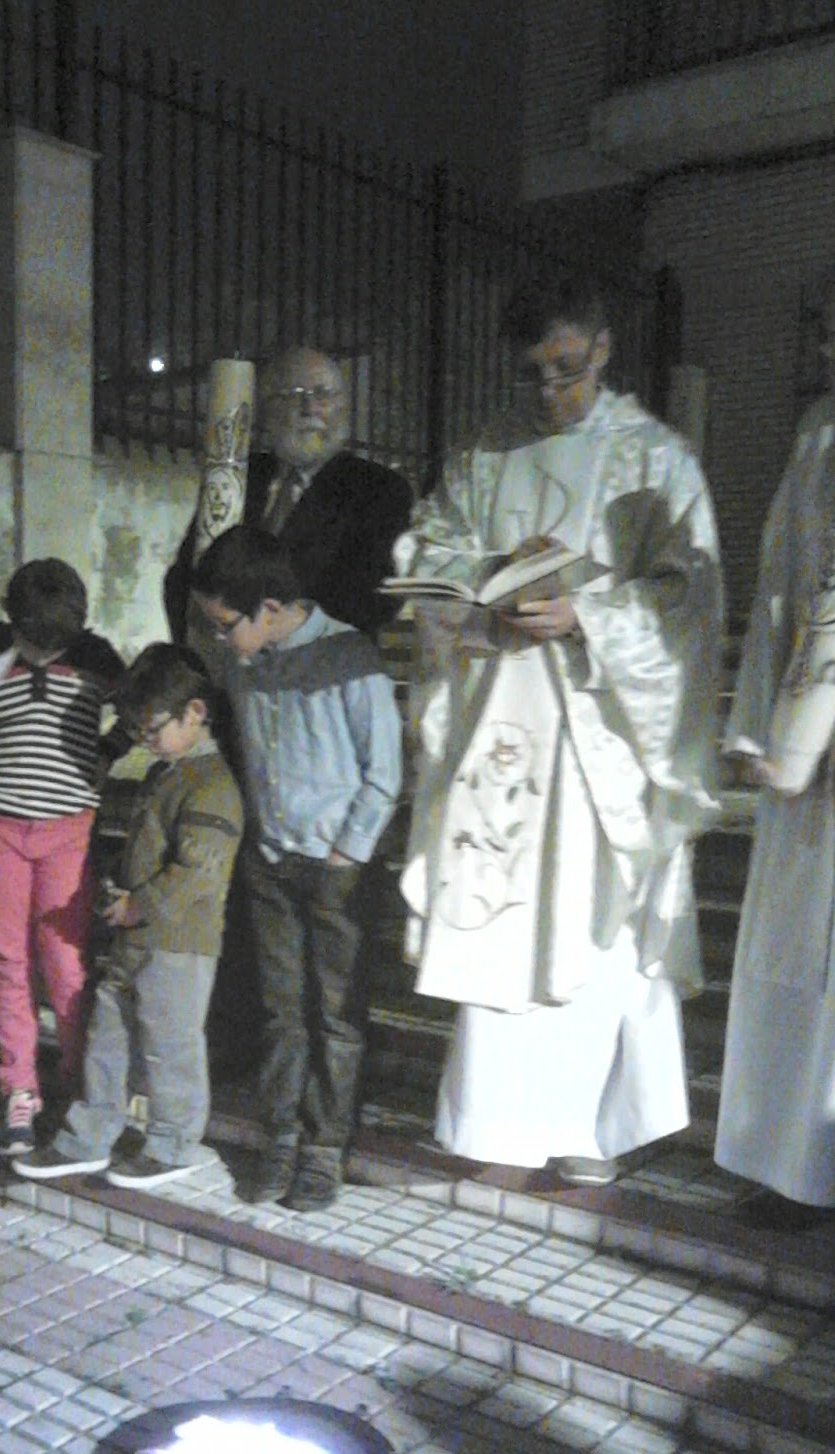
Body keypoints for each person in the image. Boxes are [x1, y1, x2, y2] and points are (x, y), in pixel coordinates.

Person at [397, 270, 723, 1186]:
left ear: (603, 350)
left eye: (567, 369)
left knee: (592, 927)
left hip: (600, 743)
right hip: (498, 725)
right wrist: (486, 592)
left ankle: (594, 1132)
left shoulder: (655, 460)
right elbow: (425, 555)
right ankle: (500, 1128)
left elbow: (690, 598)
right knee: (501, 925)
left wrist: (587, 614)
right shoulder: (483, 457)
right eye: (530, 373)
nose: (549, 392)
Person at [193, 526, 403, 1210]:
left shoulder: (350, 657)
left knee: (336, 1017)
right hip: (272, 861)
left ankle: (324, 1149)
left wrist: (345, 855)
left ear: (272, 608)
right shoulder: (245, 662)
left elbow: (385, 771)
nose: (220, 639)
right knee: (282, 1012)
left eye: (226, 624)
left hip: (338, 868)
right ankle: (281, 1139)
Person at [12, 644, 243, 1190]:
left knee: (170, 1046)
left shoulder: (213, 784)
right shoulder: (169, 772)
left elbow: (198, 871)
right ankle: (89, 1136)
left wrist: (137, 904)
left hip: (178, 942)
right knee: (107, 1037)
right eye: (136, 729)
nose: (143, 739)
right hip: (135, 936)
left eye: (151, 728)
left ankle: (174, 1143)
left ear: (195, 713)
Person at [715, 271, 835, 1209]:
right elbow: (783, 594)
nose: (825, 350)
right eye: (821, 332)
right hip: (807, 733)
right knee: (793, 959)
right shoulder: (817, 432)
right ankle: (785, 1165)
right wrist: (765, 721)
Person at [0, 558, 127, 1157]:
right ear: (13, 617)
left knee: (65, 962)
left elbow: (140, 704)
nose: (44, 649)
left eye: (56, 639)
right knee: (9, 960)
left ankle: (80, 1083)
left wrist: (109, 748)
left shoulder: (96, 656)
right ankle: (19, 1090)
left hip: (68, 828)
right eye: (34, 637)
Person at [164, 347, 414, 643]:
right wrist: (197, 644)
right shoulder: (238, 474)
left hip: (314, 660)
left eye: (323, 394)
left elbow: (374, 598)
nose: (310, 408)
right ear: (267, 409)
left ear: (344, 407)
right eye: (294, 395)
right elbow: (185, 575)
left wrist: (273, 635)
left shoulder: (378, 489)